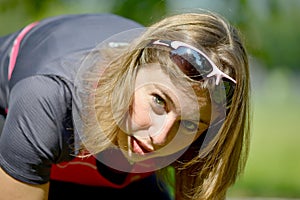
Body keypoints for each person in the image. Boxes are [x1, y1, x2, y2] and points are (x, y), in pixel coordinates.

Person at [0, 9, 251, 200]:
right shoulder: (48, 98)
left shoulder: (193, 133)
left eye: (189, 124)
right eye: (158, 101)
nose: (161, 137)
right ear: (131, 71)